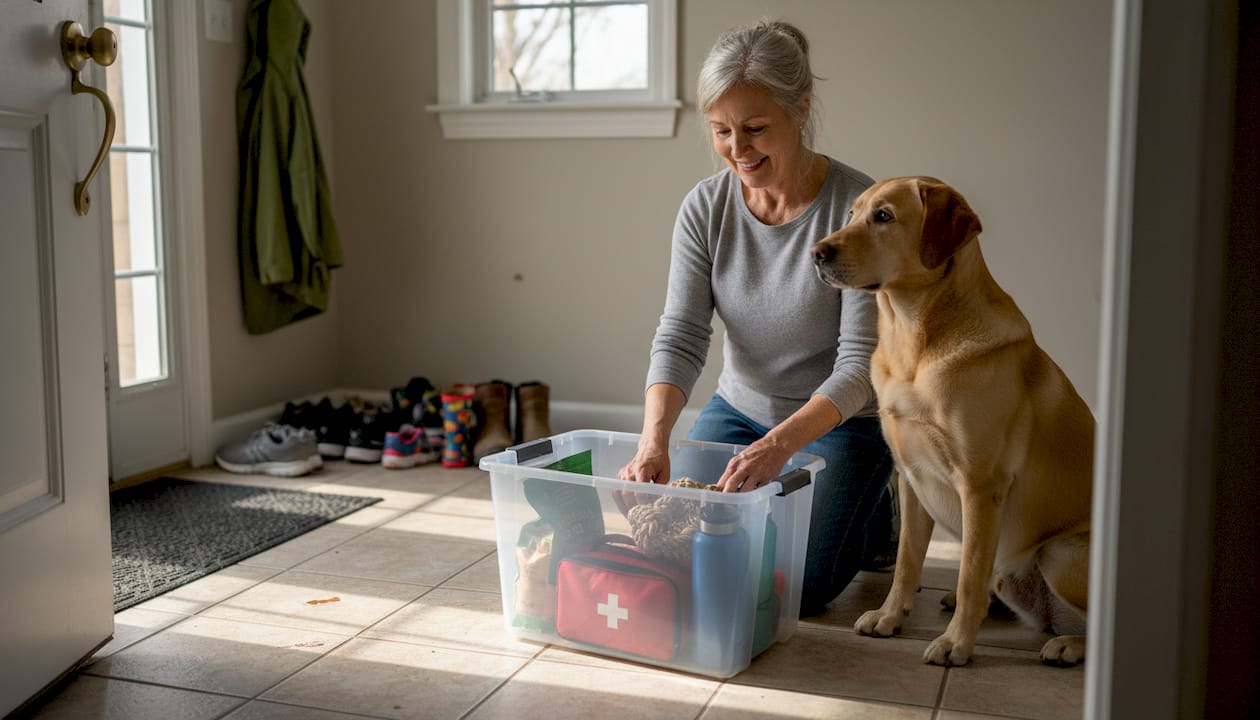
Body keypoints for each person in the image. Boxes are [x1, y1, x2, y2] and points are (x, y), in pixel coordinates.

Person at [618, 19, 895, 616]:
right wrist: (653, 439)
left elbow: (861, 367)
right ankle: (851, 508)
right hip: (740, 411)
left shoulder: (856, 210)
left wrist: (779, 448)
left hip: (842, 422)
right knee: (683, 542)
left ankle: (874, 510)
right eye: (720, 131)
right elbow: (682, 335)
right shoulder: (705, 208)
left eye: (755, 128)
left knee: (794, 587)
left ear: (800, 108)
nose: (737, 149)